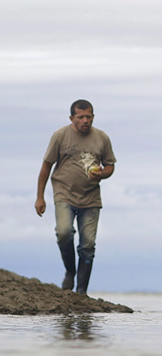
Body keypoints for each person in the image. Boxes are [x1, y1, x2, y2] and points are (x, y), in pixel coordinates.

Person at [34, 99, 116, 295]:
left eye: (88, 117)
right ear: (72, 118)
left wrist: (102, 174)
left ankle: (81, 291)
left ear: (93, 117)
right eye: (80, 117)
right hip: (64, 193)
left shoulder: (102, 138)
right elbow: (46, 166)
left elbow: (110, 166)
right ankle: (70, 271)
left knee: (88, 245)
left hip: (91, 197)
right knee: (64, 232)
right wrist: (40, 197)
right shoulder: (60, 136)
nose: (85, 121)